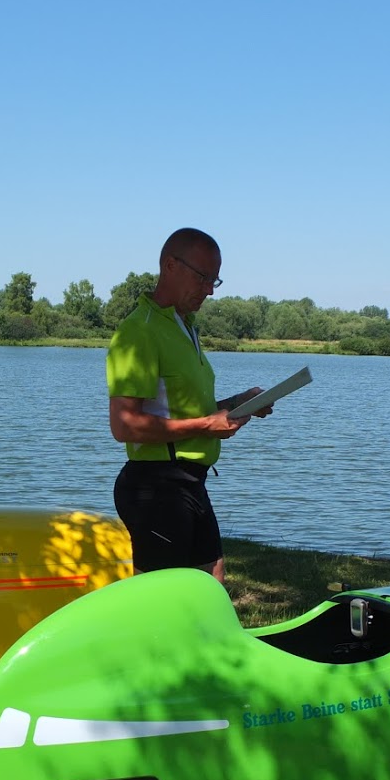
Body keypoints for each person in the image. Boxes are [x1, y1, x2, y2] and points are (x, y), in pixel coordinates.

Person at [106, 227, 270, 582]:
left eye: (215, 280)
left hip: (190, 483)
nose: (210, 289)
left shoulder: (186, 327)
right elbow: (124, 425)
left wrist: (238, 404)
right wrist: (208, 425)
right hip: (156, 487)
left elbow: (187, 413)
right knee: (163, 604)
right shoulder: (139, 331)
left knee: (211, 584)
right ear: (170, 266)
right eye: (203, 277)